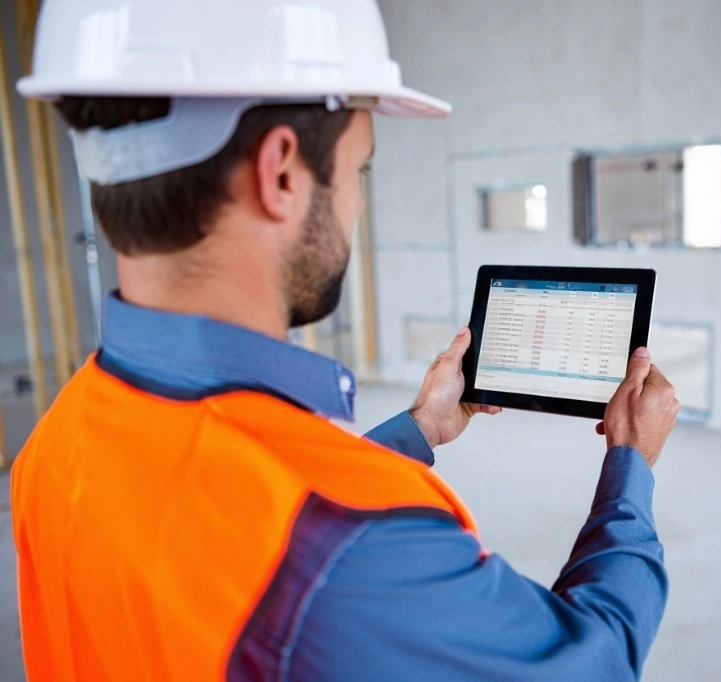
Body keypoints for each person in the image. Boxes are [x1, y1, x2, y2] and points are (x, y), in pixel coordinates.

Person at [10, 0, 681, 679]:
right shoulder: (360, 550)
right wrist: (631, 463)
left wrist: (421, 427)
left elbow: (244, 518)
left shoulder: (56, 445)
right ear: (281, 174)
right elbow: (591, 661)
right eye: (360, 172)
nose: (358, 205)